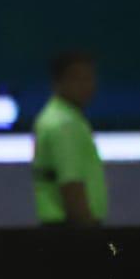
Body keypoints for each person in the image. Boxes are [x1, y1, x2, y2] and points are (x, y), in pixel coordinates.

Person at [32, 51, 107, 226]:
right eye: (77, 79)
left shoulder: (58, 118)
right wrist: (88, 231)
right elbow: (70, 183)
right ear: (58, 82)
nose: (86, 85)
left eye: (89, 78)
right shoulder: (64, 124)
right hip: (72, 229)